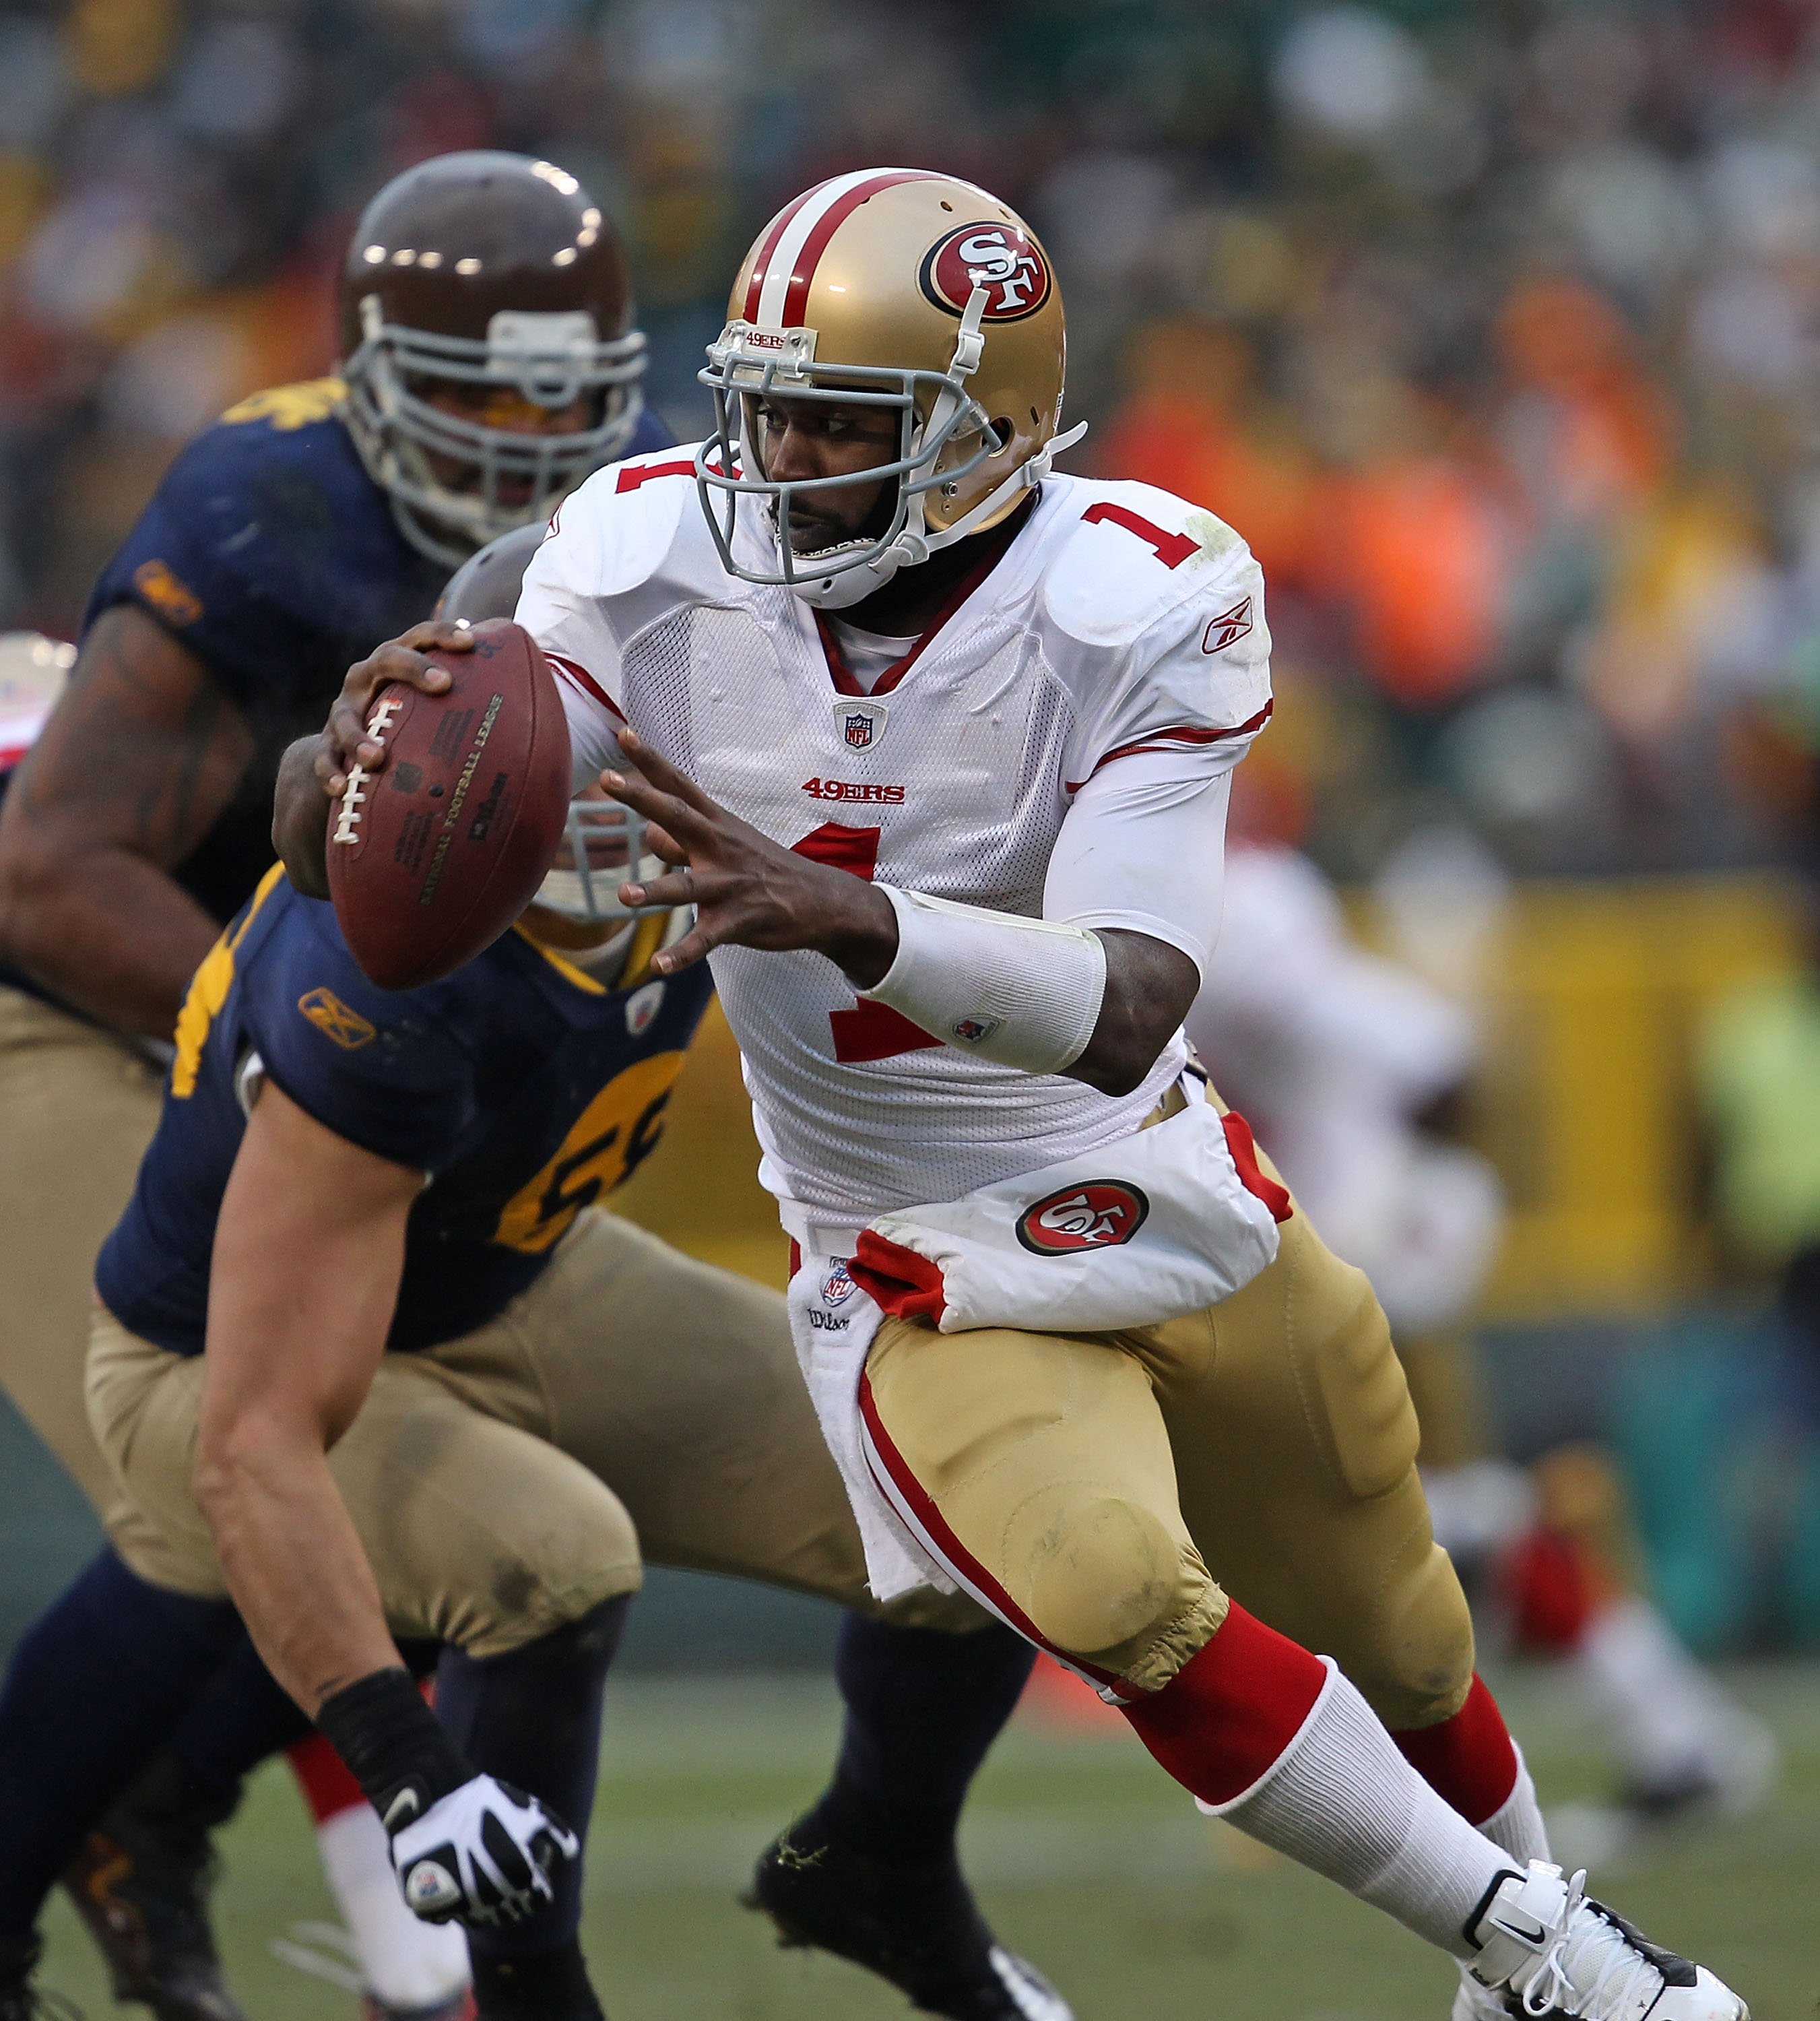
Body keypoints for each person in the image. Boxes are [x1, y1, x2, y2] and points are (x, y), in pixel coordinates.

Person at [288, 166, 1749, 2020]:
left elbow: (1132, 1002)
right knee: (1113, 1587)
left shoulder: (1138, 589)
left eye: (835, 417)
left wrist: (849, 914)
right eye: (758, 400)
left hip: (1152, 1178)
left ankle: (1506, 1958)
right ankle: (1556, 1964)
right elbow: (455, 791)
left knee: (1401, 1617)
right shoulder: (644, 556)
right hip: (910, 1257)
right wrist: (345, 769)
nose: (769, 454)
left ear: (983, 429)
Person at [0, 151, 1053, 2021]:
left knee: (898, 1483)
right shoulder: (261, 502)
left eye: (559, 403)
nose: (519, 444)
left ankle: (861, 1868)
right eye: (474, 395)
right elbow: (53, 870)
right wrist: (292, 1053)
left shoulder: (670, 514)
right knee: (218, 1485)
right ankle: (91, 1850)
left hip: (382, 1031)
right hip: (112, 1002)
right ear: (373, 372)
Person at [0, 757, 1065, 2021]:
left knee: (971, 1481)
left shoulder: (714, 799)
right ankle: (527, 2000)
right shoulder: (384, 976)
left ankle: (884, 1866)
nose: (617, 797)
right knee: (547, 1557)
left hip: (506, 1272)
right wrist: (410, 1771)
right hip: (229, 1356)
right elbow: (254, 1439)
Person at [1190, 834, 1775, 1853]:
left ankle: (1662, 1735)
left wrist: (1406, 1220)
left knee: (1413, 1513)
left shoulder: (1239, 909)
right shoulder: (1191, 895)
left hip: (1354, 1259)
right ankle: (1668, 1730)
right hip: (1309, 1258)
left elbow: (1432, 1057)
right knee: (1434, 1516)